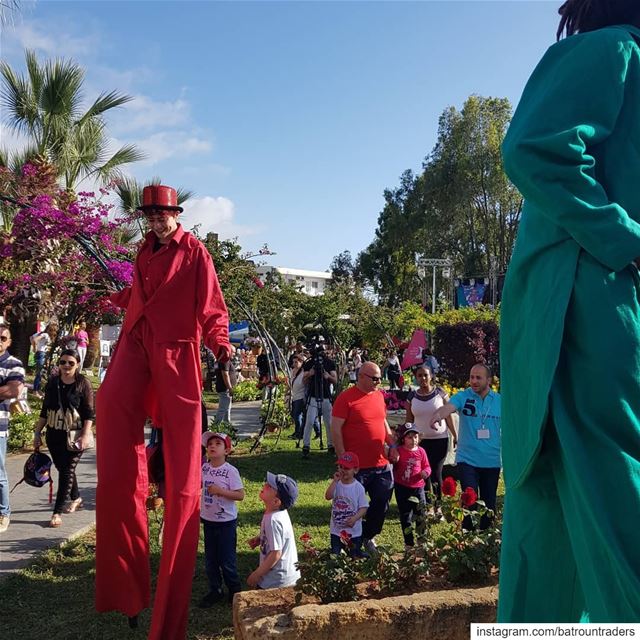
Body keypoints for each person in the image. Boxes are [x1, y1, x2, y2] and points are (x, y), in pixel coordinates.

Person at [497, 1, 640, 624]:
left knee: (573, 530)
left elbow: (534, 146)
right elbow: (536, 148)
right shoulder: (618, 51)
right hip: (579, 324)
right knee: (580, 524)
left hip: (579, 322)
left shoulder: (616, 50)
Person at [95, 184, 232, 638]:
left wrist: (222, 347)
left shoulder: (195, 254)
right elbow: (139, 295)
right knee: (110, 410)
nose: (155, 222)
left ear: (176, 214)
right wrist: (112, 300)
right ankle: (125, 588)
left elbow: (211, 308)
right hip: (136, 344)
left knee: (183, 481)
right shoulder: (143, 251)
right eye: (149, 216)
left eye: (162, 215)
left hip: (176, 355)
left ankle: (167, 614)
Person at [331, 361, 398, 553]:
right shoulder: (346, 398)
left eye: (379, 378)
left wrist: (392, 444)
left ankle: (367, 536)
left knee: (381, 503)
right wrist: (343, 460)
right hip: (356, 467)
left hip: (380, 463)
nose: (379, 382)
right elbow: (336, 429)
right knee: (350, 506)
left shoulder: (378, 395)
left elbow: (382, 421)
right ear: (361, 376)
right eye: (375, 378)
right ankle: (346, 543)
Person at [430, 364, 501, 531]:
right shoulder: (463, 397)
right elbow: (448, 408)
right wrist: (438, 415)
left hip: (492, 460)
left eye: (478, 378)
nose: (474, 381)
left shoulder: (499, 401)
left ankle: (485, 540)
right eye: (472, 377)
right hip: (467, 458)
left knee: (489, 504)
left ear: (488, 380)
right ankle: (466, 535)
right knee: (470, 499)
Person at [33, 348, 94, 528]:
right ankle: (76, 497)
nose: (66, 366)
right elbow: (45, 411)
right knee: (63, 469)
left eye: (70, 363)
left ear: (77, 365)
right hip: (54, 434)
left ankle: (57, 512)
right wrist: (37, 433)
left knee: (67, 471)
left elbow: (89, 413)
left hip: (75, 436)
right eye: (62, 362)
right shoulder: (53, 383)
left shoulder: (83, 384)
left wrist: (85, 434)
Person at [199, 431, 244, 607]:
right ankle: (215, 590)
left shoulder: (230, 471)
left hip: (226, 523)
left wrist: (221, 491)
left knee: (227, 560)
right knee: (211, 559)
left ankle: (235, 592)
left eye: (218, 443)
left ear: (227, 451)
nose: (212, 446)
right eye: (210, 443)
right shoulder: (204, 468)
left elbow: (240, 495)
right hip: (208, 521)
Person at [405, 365, 457, 516]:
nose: (422, 379)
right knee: (424, 473)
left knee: (436, 472)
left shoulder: (440, 393)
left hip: (440, 440)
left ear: (431, 376)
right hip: (420, 442)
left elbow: (449, 415)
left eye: (425, 375)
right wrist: (407, 438)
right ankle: (427, 506)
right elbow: (409, 420)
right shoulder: (412, 397)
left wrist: (454, 435)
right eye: (419, 376)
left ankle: (438, 506)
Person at [247, 472, 300, 589]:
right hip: (284, 577)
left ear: (276, 502)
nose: (265, 485)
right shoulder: (279, 513)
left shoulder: (273, 520)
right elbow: (280, 537)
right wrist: (261, 538)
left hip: (276, 581)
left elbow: (276, 554)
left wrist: (257, 574)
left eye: (270, 487)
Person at [0, 324, 25, 534]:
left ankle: (4, 513)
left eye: (2, 338)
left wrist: (6, 390)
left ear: (8, 342)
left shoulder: (14, 363)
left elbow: (13, 390)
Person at [392, 423, 431, 547]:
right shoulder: (399, 451)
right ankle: (409, 544)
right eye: (409, 437)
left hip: (418, 488)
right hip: (402, 487)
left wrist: (425, 472)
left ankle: (422, 540)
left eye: (415, 437)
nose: (413, 440)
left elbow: (427, 466)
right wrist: (393, 459)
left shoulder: (421, 451)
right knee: (405, 517)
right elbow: (392, 465)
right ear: (403, 439)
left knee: (421, 515)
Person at [325, 451, 368, 557]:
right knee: (336, 554)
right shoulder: (337, 484)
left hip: (353, 532)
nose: (343, 470)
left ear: (355, 470)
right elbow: (328, 496)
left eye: (347, 468)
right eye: (341, 467)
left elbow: (364, 507)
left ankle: (361, 556)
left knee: (354, 555)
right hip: (336, 530)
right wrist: (334, 482)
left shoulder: (358, 488)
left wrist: (355, 518)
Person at [301, 341, 337, 457]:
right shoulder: (309, 363)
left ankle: (331, 444)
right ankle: (306, 445)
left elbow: (335, 380)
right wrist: (309, 374)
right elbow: (304, 381)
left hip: (326, 395)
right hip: (313, 395)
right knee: (310, 420)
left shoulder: (329, 363)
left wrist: (328, 376)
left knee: (329, 422)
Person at [288, 354, 306, 440]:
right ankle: (297, 431)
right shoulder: (293, 371)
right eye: (293, 362)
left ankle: (299, 433)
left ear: (301, 362)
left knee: (297, 415)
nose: (294, 364)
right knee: (295, 415)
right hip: (294, 396)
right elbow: (290, 382)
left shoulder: (303, 373)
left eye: (296, 362)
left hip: (301, 397)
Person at [214, 355, 236, 425]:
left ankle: (227, 425)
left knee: (227, 408)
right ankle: (215, 427)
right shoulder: (225, 360)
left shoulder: (220, 360)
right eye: (233, 352)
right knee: (223, 408)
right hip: (225, 388)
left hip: (223, 387)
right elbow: (225, 374)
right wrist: (229, 388)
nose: (234, 353)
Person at [30, 325, 51, 397]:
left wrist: (34, 347)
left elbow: (31, 338)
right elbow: (35, 340)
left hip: (39, 353)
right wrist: (35, 347)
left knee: (40, 372)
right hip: (41, 353)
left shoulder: (40, 333)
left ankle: (38, 389)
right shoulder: (46, 334)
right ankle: (35, 390)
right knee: (39, 373)